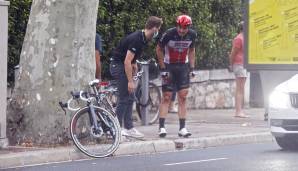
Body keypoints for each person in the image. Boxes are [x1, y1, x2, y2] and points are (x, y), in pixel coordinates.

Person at [110, 16, 163, 138]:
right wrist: (130, 81)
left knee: (131, 97)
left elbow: (132, 60)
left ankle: (129, 128)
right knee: (124, 98)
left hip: (124, 65)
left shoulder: (143, 39)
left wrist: (135, 68)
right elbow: (126, 61)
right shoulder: (137, 39)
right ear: (154, 28)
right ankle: (116, 130)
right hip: (117, 65)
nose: (158, 32)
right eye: (158, 29)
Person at [156, 14, 196, 138]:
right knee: (167, 97)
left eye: (184, 28)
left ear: (188, 27)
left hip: (183, 67)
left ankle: (182, 128)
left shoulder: (192, 35)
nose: (181, 30)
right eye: (179, 27)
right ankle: (161, 127)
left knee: (183, 97)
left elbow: (192, 50)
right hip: (169, 66)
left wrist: (192, 68)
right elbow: (158, 49)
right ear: (177, 25)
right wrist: (162, 68)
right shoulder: (169, 34)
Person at [229, 21, 248, 118]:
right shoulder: (239, 38)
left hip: (243, 64)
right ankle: (238, 111)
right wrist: (231, 64)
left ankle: (240, 110)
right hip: (239, 64)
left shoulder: (245, 38)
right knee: (239, 89)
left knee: (241, 88)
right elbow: (233, 53)